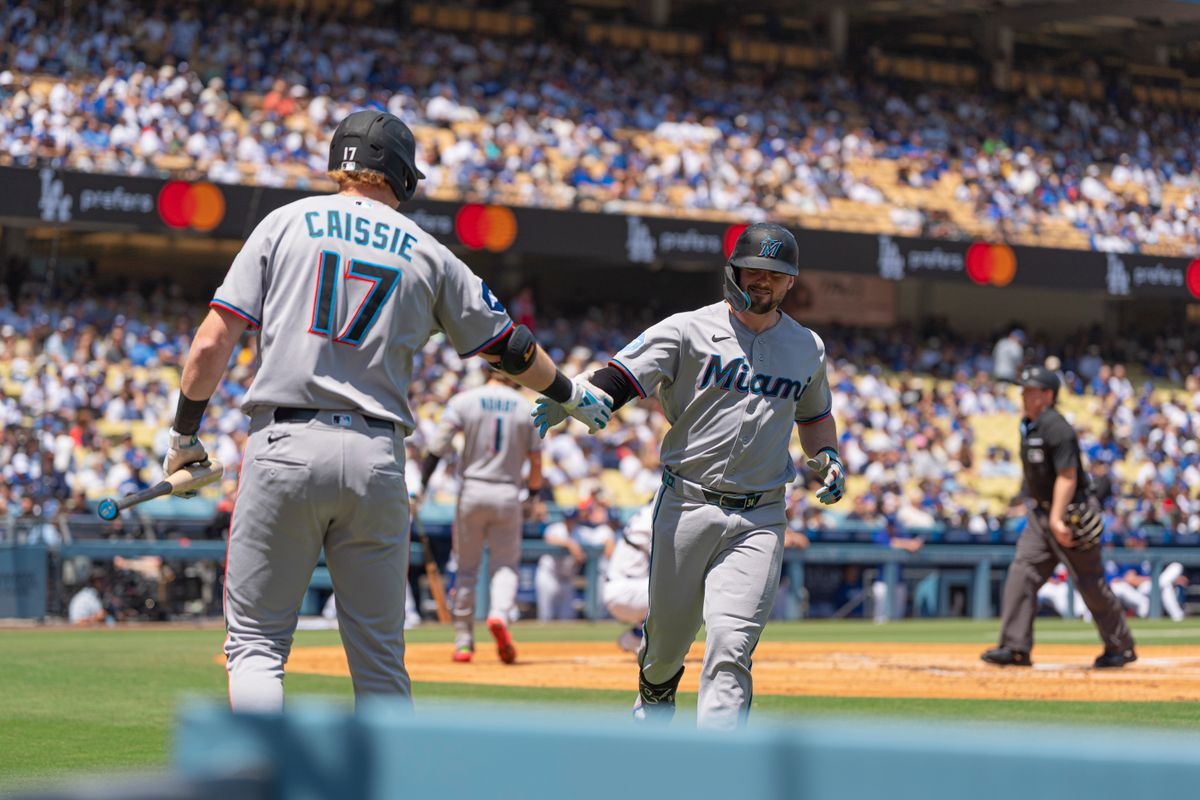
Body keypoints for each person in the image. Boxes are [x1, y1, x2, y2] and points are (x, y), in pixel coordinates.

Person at [165, 110, 613, 712]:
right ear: (401, 174)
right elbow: (511, 349)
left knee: (256, 646)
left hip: (285, 444)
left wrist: (184, 436)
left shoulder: (284, 223)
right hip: (378, 458)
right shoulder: (431, 254)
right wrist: (572, 395)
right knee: (379, 658)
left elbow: (210, 345)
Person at [534, 223, 845, 729]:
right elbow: (619, 379)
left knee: (731, 646)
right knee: (665, 648)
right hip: (688, 505)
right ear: (734, 272)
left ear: (791, 282)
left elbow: (814, 417)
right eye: (754, 270)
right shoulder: (687, 328)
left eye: (775, 273)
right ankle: (654, 705)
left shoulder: (807, 346)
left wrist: (828, 454)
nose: (763, 281)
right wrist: (571, 397)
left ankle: (714, 770)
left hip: (762, 514)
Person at [982, 365, 1136, 670]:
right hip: (1042, 514)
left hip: (1070, 513)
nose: (1024, 395)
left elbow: (1067, 476)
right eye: (1023, 390)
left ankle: (1120, 647)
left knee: (1089, 583)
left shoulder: (1057, 427)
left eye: (1030, 390)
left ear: (1047, 395)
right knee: (1022, 572)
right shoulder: (1029, 424)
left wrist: (1056, 519)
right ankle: (1015, 647)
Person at [421, 369, 542, 664]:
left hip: (472, 490)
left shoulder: (464, 400)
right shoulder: (527, 406)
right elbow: (536, 460)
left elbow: (437, 446)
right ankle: (499, 614)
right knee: (505, 565)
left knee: (465, 568)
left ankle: (463, 641)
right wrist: (534, 495)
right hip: (507, 492)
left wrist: (422, 486)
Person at [603, 502, 654, 652]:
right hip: (625, 590)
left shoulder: (646, 514)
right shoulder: (651, 514)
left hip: (625, 589)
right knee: (680, 593)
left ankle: (634, 637)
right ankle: (635, 639)